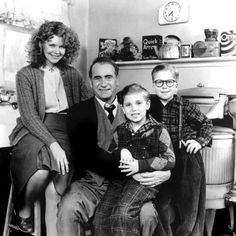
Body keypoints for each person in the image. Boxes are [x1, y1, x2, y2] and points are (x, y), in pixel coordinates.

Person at [57, 57, 171, 236]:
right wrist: (139, 167)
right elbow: (91, 158)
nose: (103, 83)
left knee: (147, 214)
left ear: (117, 79)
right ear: (90, 81)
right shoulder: (78, 113)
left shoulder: (137, 106)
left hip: (133, 184)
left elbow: (162, 148)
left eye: (108, 77)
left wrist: (165, 172)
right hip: (93, 183)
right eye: (97, 78)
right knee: (68, 208)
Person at [9, 21, 91, 235]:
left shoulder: (72, 74)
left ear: (68, 48)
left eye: (62, 46)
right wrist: (53, 145)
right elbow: (29, 116)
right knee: (39, 170)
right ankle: (23, 212)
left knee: (58, 181)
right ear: (40, 44)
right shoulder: (25, 74)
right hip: (34, 128)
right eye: (51, 44)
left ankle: (52, 229)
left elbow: (89, 103)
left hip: (65, 128)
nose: (57, 51)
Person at [93, 83, 175, 236]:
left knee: (123, 214)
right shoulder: (120, 130)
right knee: (100, 217)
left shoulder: (159, 130)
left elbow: (169, 159)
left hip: (144, 182)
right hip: (119, 181)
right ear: (122, 108)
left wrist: (140, 165)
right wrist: (121, 152)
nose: (134, 109)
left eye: (138, 103)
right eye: (128, 105)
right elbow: (110, 154)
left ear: (147, 104)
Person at [149, 63, 213, 236]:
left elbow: (206, 124)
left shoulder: (185, 106)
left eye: (169, 82)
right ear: (153, 84)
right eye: (159, 82)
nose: (164, 86)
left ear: (176, 84)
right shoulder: (149, 106)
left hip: (186, 161)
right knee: (161, 205)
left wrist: (199, 142)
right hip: (161, 162)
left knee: (189, 209)